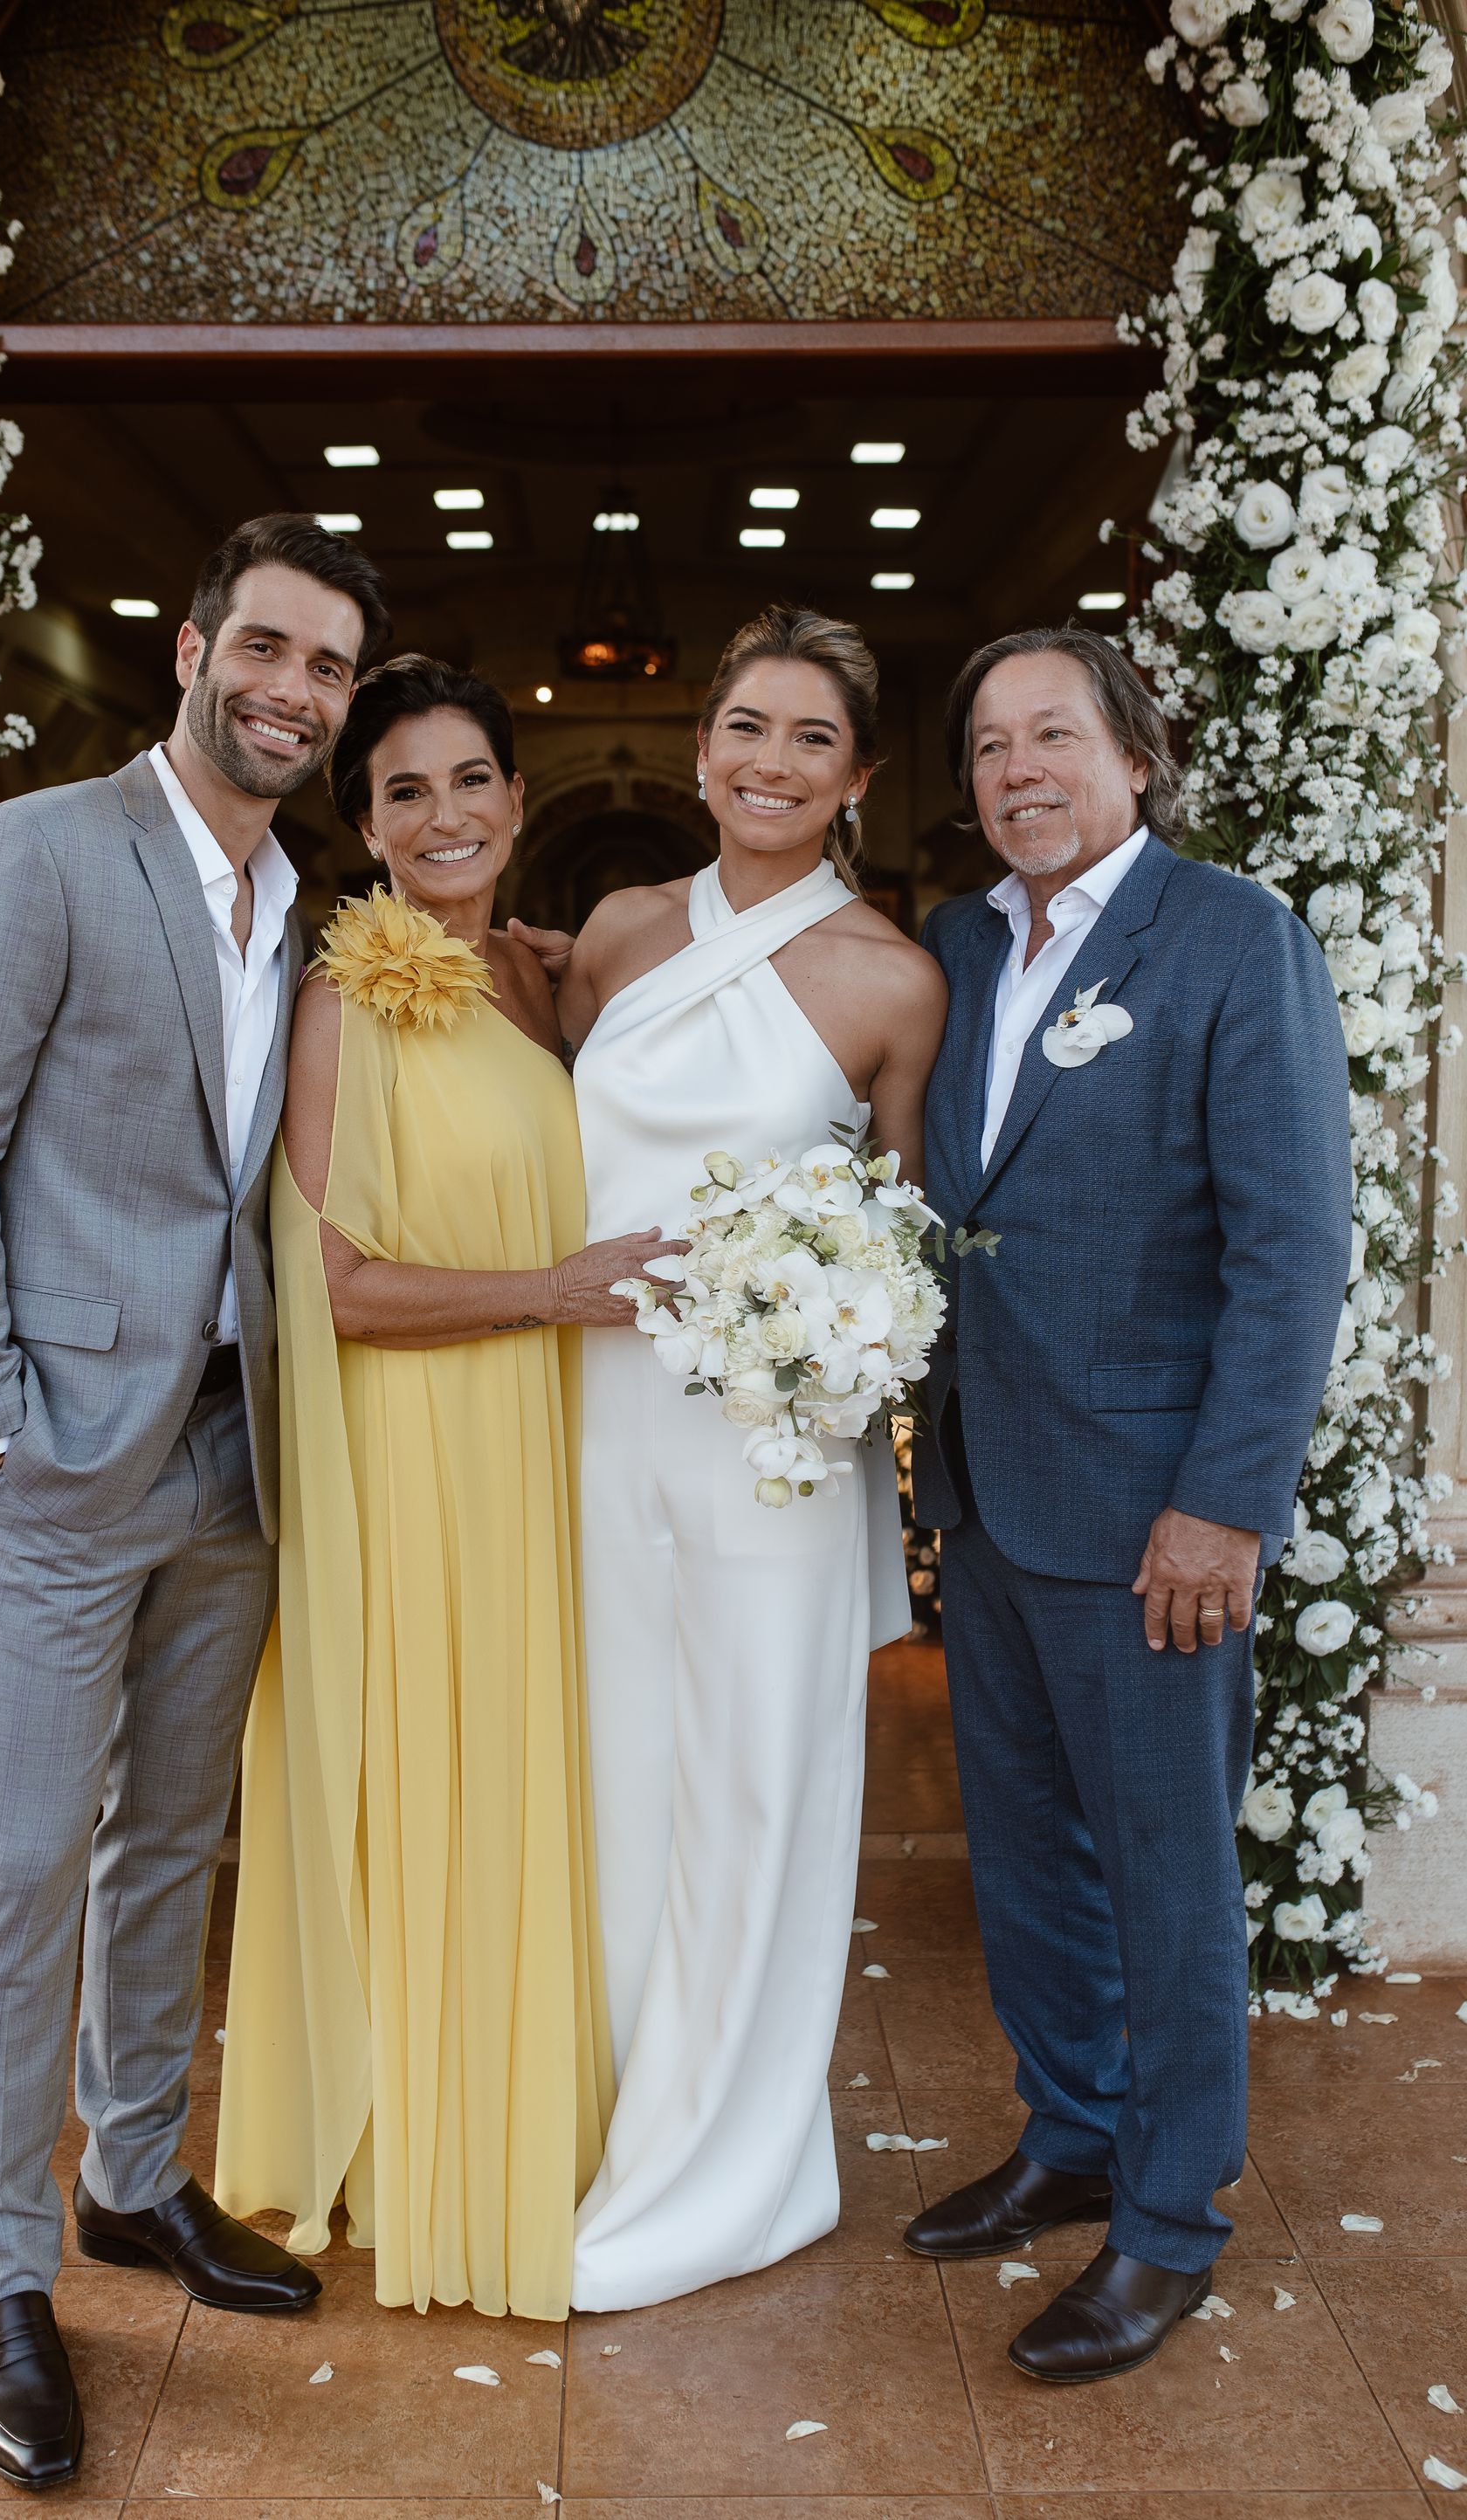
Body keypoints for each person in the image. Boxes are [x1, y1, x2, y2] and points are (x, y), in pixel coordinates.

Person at [0, 514, 389, 2489]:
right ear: (192, 647)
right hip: (56, 1460)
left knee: (174, 1839)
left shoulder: (302, 896)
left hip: (231, 1449)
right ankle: (5, 2273)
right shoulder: (35, 855)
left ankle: (134, 2178)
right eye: (266, 646)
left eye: (327, 666)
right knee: (22, 1864)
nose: (291, 689)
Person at [906, 626, 1351, 2382]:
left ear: (1136, 756)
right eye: (989, 745)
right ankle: (1074, 2132)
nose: (1018, 769)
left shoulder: (1234, 938)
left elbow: (1294, 1247)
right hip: (990, 1494)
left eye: (1054, 735)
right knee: (1025, 1855)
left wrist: (1225, 1503)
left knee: (1165, 1878)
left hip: (1156, 1510)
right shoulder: (960, 944)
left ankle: (1169, 2218)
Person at [214, 657, 668, 2321]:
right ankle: (430, 2150)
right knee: (434, 1781)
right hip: (417, 1460)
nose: (446, 813)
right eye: (404, 790)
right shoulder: (347, 1000)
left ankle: (537, 2118)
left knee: (543, 1770)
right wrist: (554, 1291)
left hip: (551, 1444)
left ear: (520, 799)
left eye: (471, 778)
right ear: (365, 827)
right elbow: (329, 1283)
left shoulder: (547, 978)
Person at [557, 604, 947, 2312]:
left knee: (758, 1788)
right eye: (745, 727)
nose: (769, 763)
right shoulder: (618, 936)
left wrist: (838, 1331)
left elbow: (906, 1234)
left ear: (859, 777)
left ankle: (733, 2168)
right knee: (617, 1776)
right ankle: (610, 2123)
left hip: (776, 1451)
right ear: (699, 748)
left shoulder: (894, 979)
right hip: (596, 1420)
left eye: (811, 739)